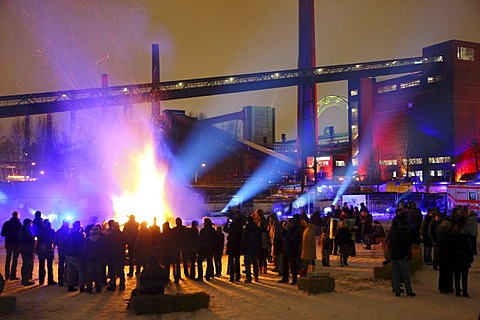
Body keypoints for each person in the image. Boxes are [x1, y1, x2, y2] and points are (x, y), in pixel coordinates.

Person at [388, 217, 416, 297]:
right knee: (405, 274)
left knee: (395, 273)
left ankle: (397, 291)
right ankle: (409, 291)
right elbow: (407, 243)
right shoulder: (402, 232)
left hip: (393, 254)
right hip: (401, 254)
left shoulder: (391, 232)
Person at [451, 222, 474, 298]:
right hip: (464, 259)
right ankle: (464, 291)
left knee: (457, 276)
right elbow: (469, 249)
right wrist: (470, 258)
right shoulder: (465, 238)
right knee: (464, 277)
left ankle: (458, 291)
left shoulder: (453, 237)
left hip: (456, 259)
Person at [278, 218, 302, 285]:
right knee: (285, 264)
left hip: (292, 249)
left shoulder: (295, 230)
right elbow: (282, 236)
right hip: (286, 249)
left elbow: (291, 238)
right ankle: (285, 277)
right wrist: (283, 229)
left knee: (293, 265)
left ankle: (294, 279)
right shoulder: (287, 230)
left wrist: (287, 230)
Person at [105, 220, 127, 291]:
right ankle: (122, 284)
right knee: (120, 270)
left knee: (112, 270)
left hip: (112, 255)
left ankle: (113, 284)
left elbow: (107, 245)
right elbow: (126, 243)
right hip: (120, 254)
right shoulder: (123, 235)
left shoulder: (111, 235)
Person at [65, 220, 86, 292]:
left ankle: (70, 286)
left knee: (70, 271)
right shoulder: (80, 236)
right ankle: (82, 286)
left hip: (69, 254)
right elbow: (83, 245)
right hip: (77, 255)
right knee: (81, 271)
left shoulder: (69, 235)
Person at [84, 224, 106, 293]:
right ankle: (98, 288)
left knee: (89, 275)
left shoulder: (88, 240)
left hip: (90, 259)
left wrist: (86, 257)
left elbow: (85, 249)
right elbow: (104, 250)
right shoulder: (101, 240)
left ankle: (89, 288)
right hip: (99, 259)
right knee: (98, 275)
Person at [1, 211, 22, 281]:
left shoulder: (7, 223)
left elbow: (2, 234)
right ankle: (13, 275)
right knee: (15, 260)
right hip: (16, 244)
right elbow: (20, 234)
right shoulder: (19, 224)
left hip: (9, 243)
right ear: (17, 216)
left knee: (8, 259)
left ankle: (7, 275)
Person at [241, 215, 262, 283]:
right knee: (255, 262)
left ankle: (249, 277)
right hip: (255, 247)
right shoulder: (257, 228)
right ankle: (256, 276)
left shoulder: (247, 229)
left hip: (248, 248)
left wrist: (243, 248)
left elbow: (244, 239)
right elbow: (259, 238)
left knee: (248, 263)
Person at [436, 220, 454, 294]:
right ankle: (444, 287)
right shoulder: (445, 235)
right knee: (445, 273)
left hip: (442, 256)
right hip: (445, 256)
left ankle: (444, 287)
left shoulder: (441, 234)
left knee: (443, 273)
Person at [36, 219, 56, 285]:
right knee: (50, 266)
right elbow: (54, 240)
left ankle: (41, 281)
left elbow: (38, 240)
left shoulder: (40, 231)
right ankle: (50, 280)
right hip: (49, 249)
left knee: (41, 265)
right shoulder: (52, 231)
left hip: (42, 250)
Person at [224, 213, 243, 282]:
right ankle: (237, 276)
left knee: (231, 262)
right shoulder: (240, 229)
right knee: (237, 262)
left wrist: (227, 222)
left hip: (231, 246)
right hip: (237, 246)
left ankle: (232, 277)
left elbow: (225, 229)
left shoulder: (232, 228)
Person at [19, 218, 35, 286]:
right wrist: (34, 240)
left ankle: (24, 279)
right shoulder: (27, 230)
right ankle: (26, 280)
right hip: (28, 248)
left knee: (24, 263)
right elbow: (30, 239)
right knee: (27, 264)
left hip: (22, 247)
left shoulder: (21, 229)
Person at [54, 220, 70, 286]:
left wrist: (58, 245)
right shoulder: (69, 231)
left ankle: (60, 280)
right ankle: (67, 279)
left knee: (61, 265)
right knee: (68, 266)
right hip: (68, 249)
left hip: (61, 249)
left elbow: (55, 240)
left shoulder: (58, 231)